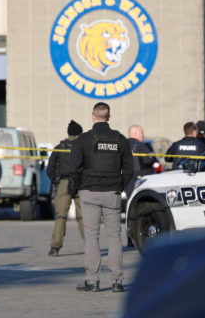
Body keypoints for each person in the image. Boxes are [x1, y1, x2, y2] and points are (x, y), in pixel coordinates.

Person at [70, 102, 133, 293]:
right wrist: (119, 186)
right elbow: (129, 170)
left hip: (90, 191)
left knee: (92, 236)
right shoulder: (120, 139)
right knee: (114, 236)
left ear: (93, 116)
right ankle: (117, 281)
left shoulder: (83, 140)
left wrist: (80, 186)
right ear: (109, 117)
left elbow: (74, 169)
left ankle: (92, 281)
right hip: (112, 192)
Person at [46, 120, 85, 257]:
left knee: (61, 216)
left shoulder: (59, 147)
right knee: (84, 217)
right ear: (79, 134)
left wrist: (56, 182)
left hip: (63, 182)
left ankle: (55, 247)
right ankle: (91, 245)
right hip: (81, 183)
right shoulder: (83, 148)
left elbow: (50, 169)